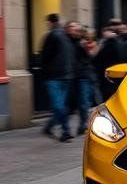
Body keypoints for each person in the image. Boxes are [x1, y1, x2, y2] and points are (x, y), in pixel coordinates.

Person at [39, 13, 76, 142]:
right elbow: (71, 56)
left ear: (50, 22)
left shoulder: (52, 35)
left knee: (58, 106)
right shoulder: (66, 36)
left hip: (54, 76)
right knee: (60, 105)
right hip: (66, 76)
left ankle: (65, 131)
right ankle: (50, 127)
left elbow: (45, 56)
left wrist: (44, 72)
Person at [67, 23, 98, 135]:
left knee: (85, 102)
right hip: (80, 76)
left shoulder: (85, 44)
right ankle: (82, 124)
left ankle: (82, 124)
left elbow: (91, 57)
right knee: (83, 102)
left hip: (85, 76)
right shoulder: (78, 44)